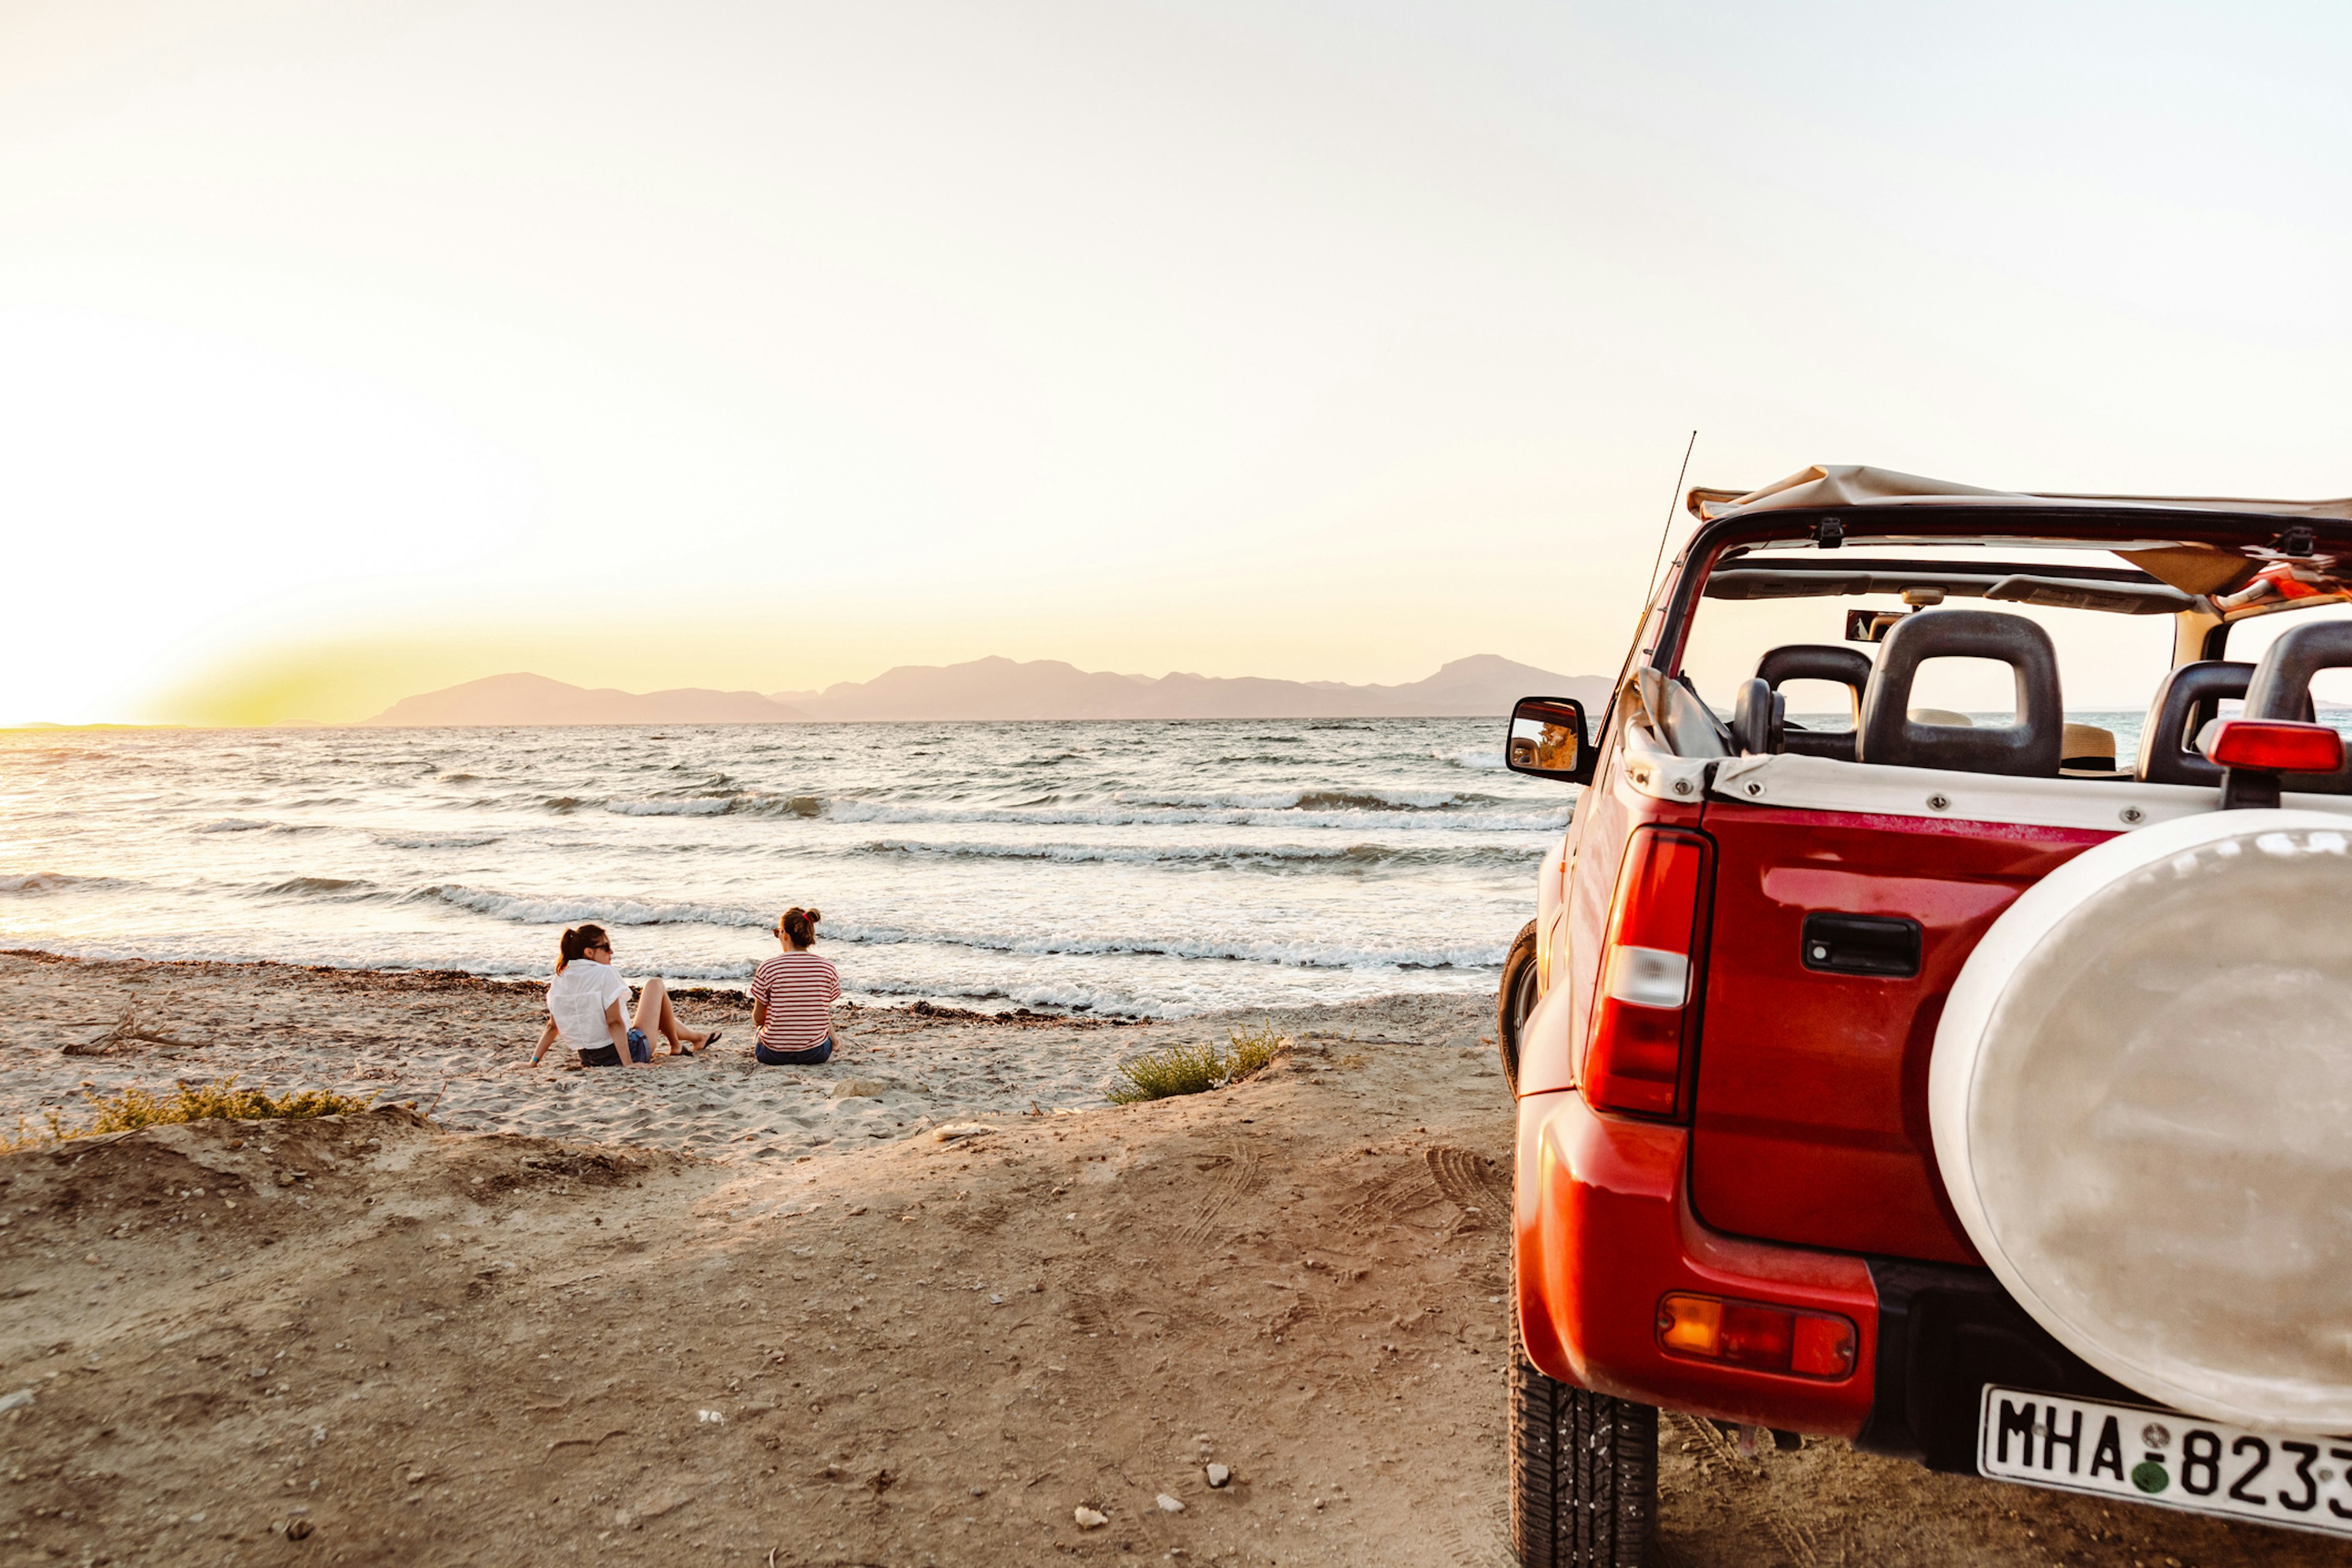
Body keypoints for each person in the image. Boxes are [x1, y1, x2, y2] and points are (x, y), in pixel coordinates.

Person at [532, 924, 720, 1068]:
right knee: (655, 985)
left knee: (649, 1013)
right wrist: (629, 1065)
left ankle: (697, 1038)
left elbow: (552, 1026)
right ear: (589, 952)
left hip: (589, 1058)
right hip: (625, 1053)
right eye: (606, 947)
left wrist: (533, 1062)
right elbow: (614, 1023)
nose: (611, 952)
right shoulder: (605, 973)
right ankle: (677, 1047)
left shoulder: (560, 977)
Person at [748, 906, 840, 1066]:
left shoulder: (768, 967)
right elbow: (822, 1011)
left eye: (778, 933)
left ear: (785, 934)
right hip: (815, 1053)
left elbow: (758, 1019)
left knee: (760, 1033)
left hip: (773, 1054)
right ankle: (833, 1041)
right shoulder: (827, 968)